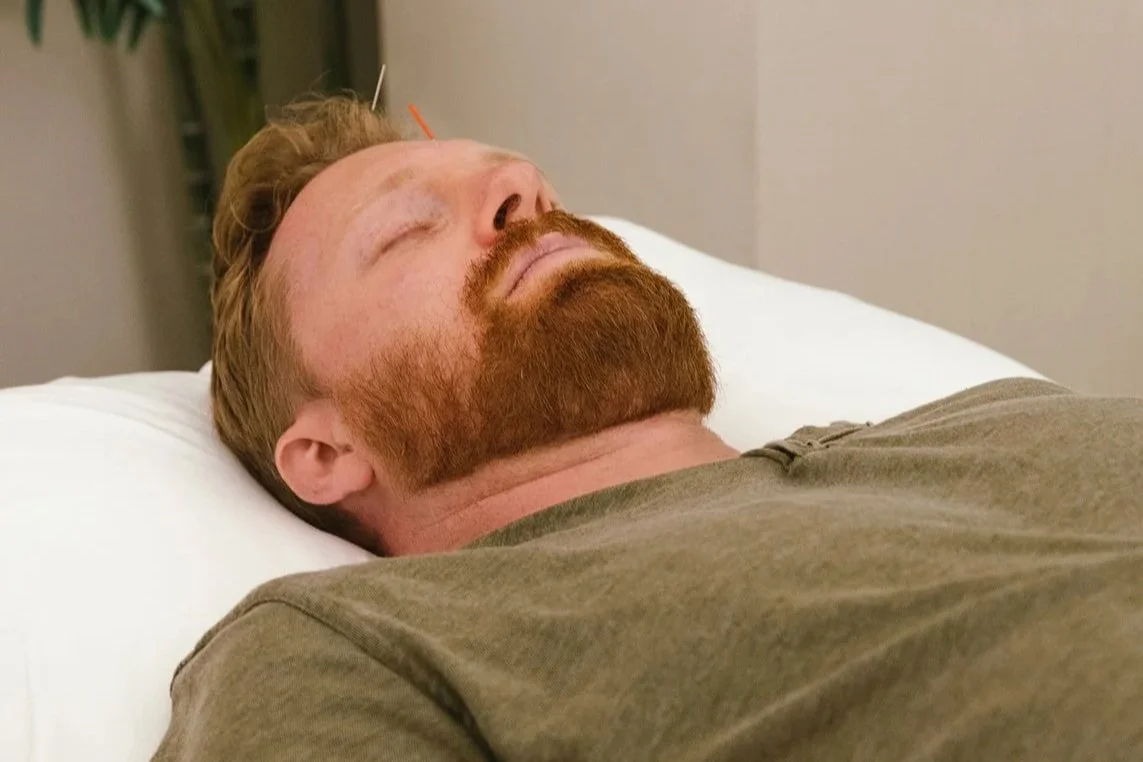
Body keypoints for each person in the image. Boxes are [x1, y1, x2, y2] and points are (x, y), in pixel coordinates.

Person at [154, 96, 1143, 760]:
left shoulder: (989, 422)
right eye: (408, 227)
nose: (524, 196)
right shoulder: (353, 647)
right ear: (326, 453)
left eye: (525, 186)